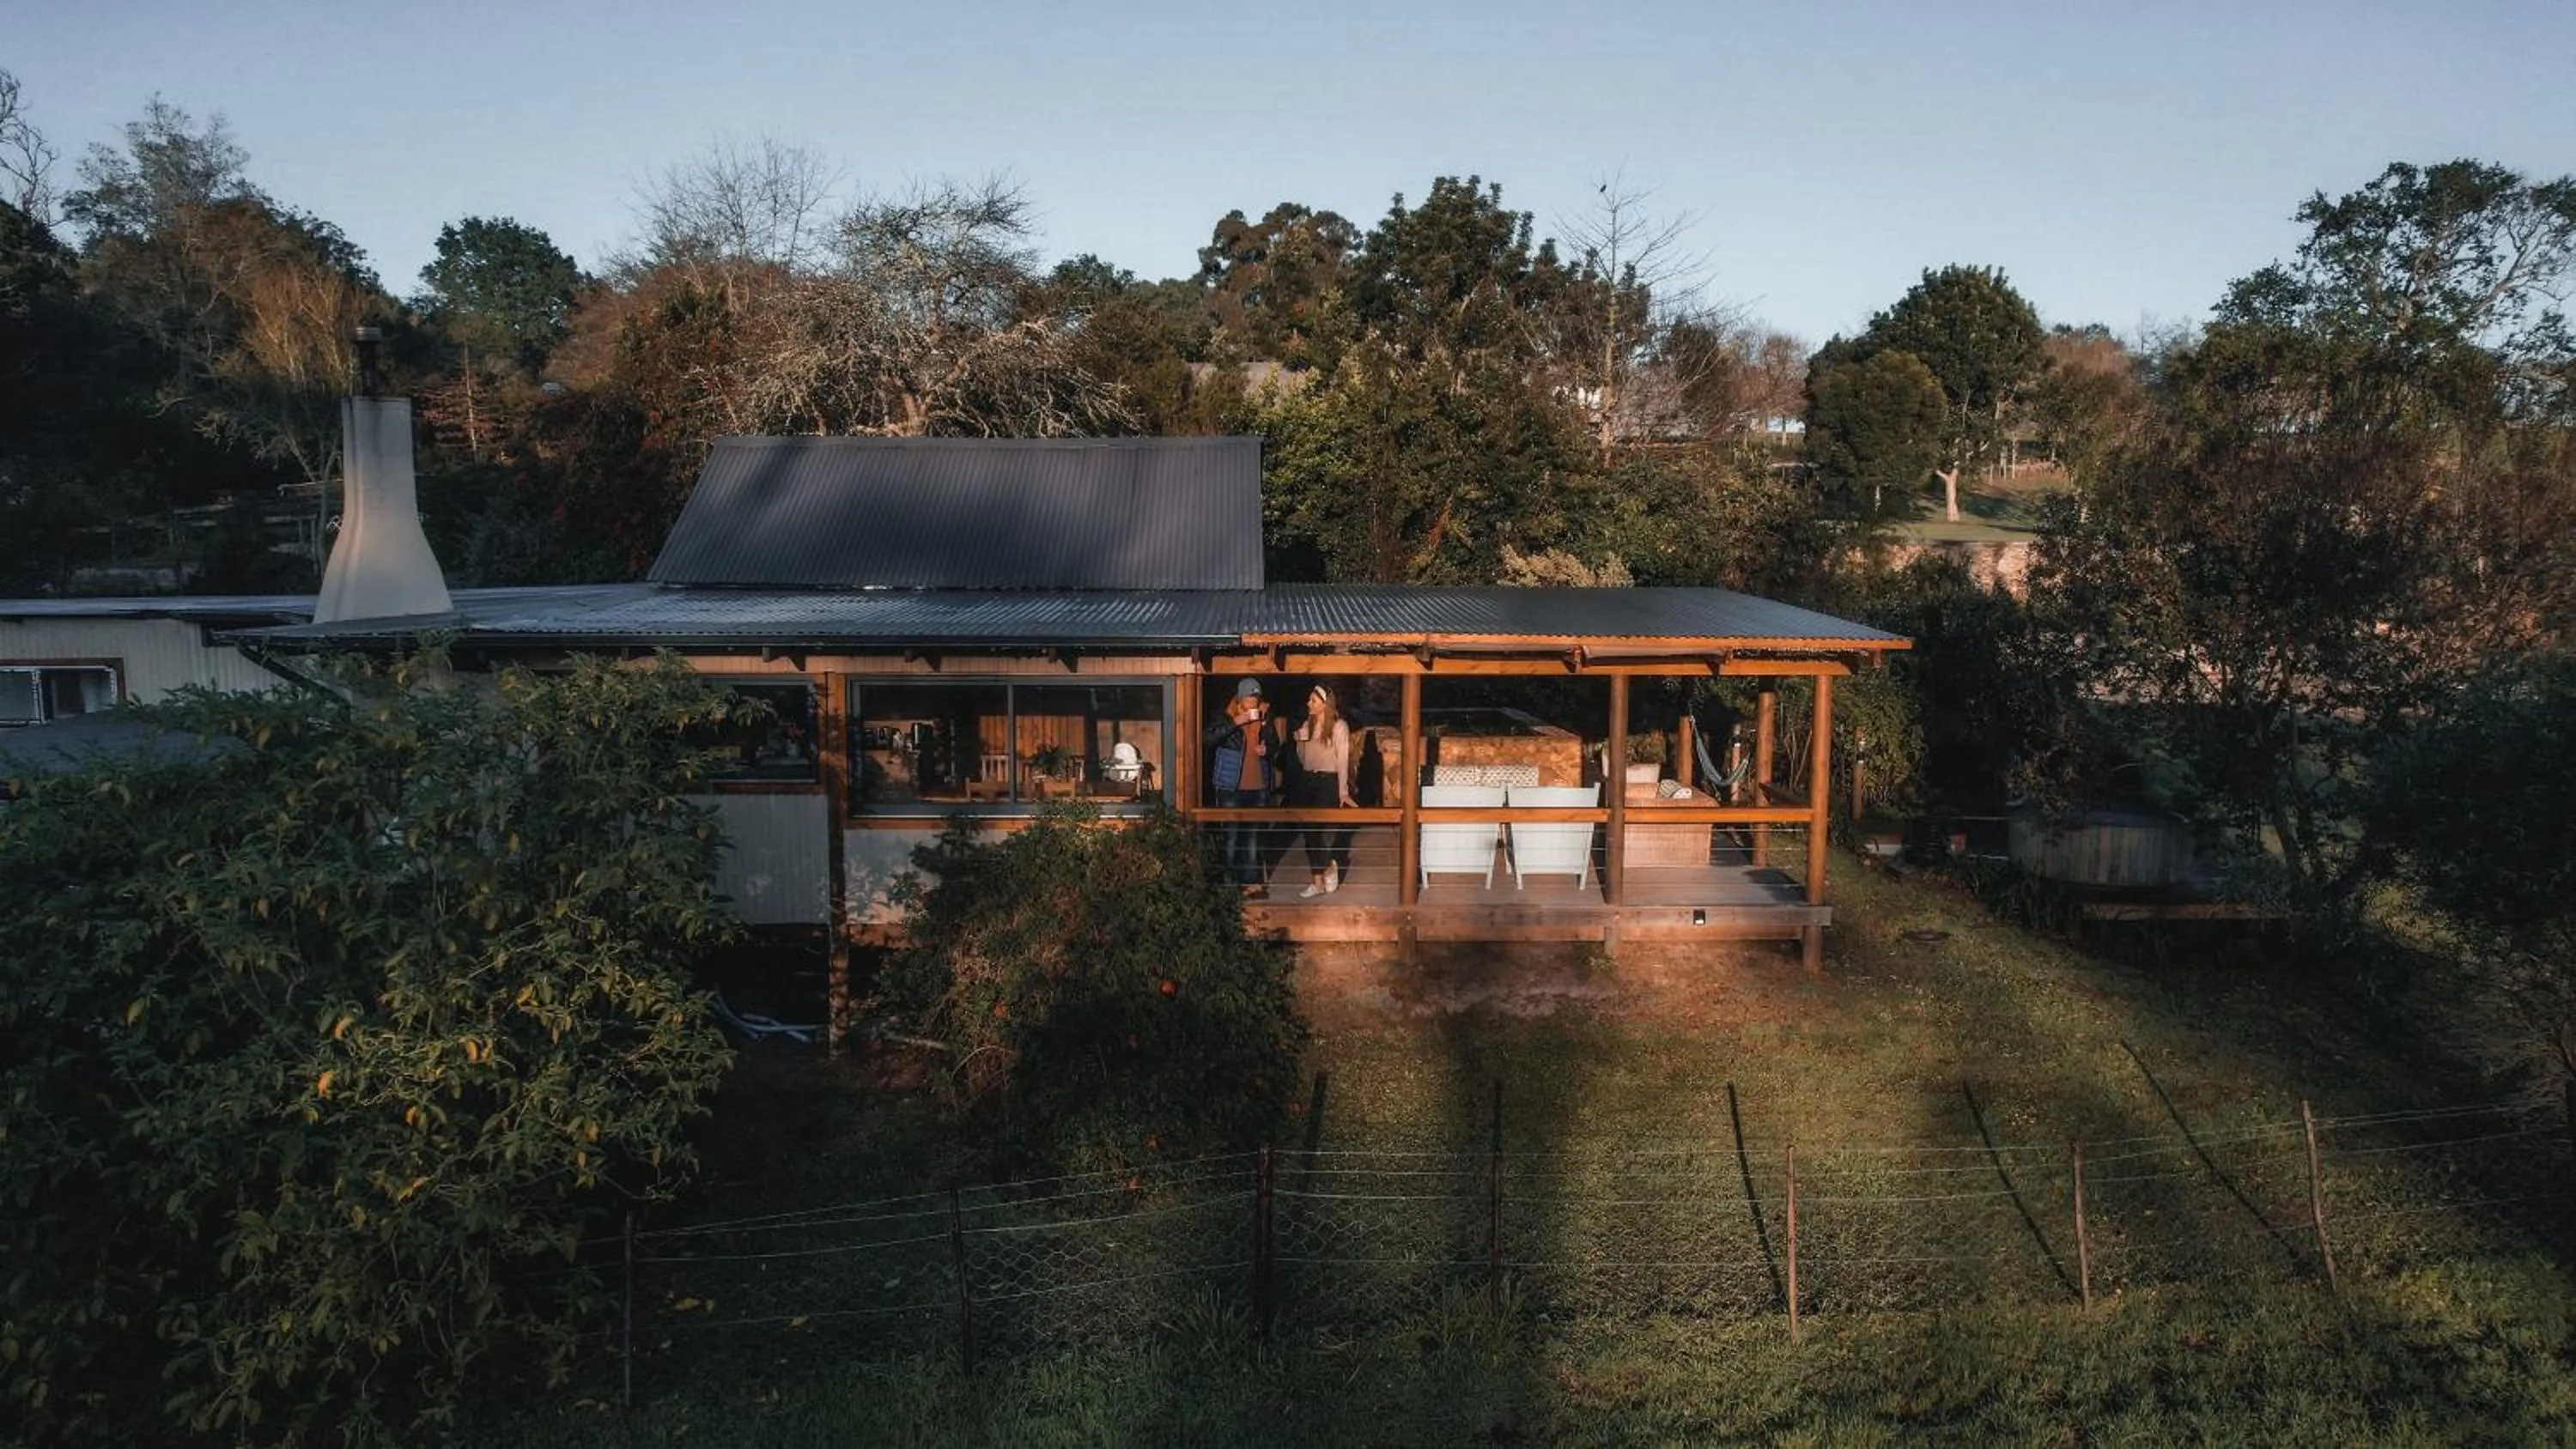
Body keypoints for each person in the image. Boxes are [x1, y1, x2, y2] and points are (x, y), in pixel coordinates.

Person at [1205, 678, 1279, 894]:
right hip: (1230, 788)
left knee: (1253, 837)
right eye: (1249, 698)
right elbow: (1208, 739)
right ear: (1240, 698)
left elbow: (1276, 743)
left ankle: (1252, 883)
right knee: (1230, 836)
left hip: (1258, 788)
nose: (1254, 702)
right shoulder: (1225, 715)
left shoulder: (1266, 715)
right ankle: (1228, 884)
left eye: (1256, 697)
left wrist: (1268, 749)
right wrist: (1236, 722)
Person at [1289, 682, 1354, 898]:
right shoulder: (1308, 724)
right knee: (1308, 833)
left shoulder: (1339, 727)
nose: (1308, 703)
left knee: (1315, 830)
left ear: (1325, 704)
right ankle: (1318, 880)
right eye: (1309, 699)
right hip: (1307, 779)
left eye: (1313, 700)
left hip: (1328, 781)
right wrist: (1299, 742)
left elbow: (1343, 760)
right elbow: (1303, 759)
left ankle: (1326, 868)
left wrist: (1343, 791)